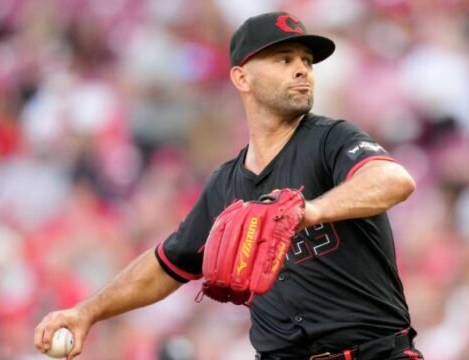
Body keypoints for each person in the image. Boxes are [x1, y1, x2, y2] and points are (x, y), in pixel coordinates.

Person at [34, 11, 423, 360]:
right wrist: (87, 311)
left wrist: (312, 210)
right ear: (241, 77)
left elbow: (393, 179)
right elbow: (166, 264)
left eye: (306, 61)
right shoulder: (226, 184)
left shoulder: (330, 139)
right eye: (284, 60)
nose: (302, 69)